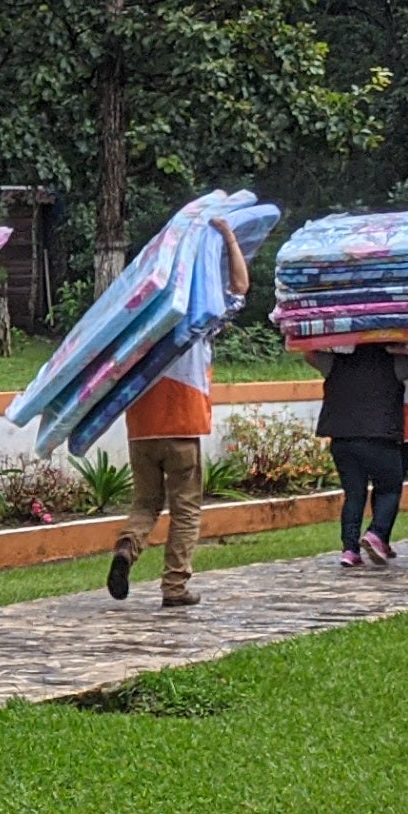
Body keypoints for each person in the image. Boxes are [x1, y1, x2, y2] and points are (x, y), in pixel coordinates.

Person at [109, 218, 254, 610]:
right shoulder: (198, 317)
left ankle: (127, 546)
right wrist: (227, 236)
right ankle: (174, 587)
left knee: (145, 502)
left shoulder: (137, 323)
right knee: (186, 508)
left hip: (141, 423)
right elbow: (240, 288)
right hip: (183, 422)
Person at [315, 337, 408, 567]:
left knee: (353, 494)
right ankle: (376, 533)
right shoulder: (394, 364)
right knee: (389, 489)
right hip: (379, 439)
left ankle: (350, 550)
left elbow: (308, 353)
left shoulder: (334, 363)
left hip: (342, 439)